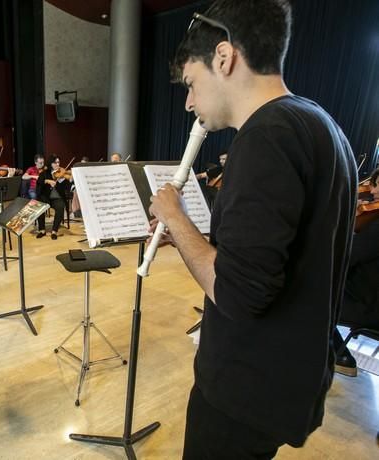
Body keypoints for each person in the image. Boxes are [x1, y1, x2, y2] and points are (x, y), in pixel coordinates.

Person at [149, 1, 356, 457]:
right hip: (286, 381)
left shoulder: (266, 136)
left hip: (243, 392)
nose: (188, 102)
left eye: (191, 84)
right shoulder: (324, 126)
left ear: (224, 59)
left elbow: (238, 293)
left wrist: (176, 220)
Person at [333, 168, 379, 377]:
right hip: (366, 298)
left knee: (306, 292)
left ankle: (336, 354)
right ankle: (337, 352)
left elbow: (345, 259)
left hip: (367, 306)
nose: (372, 190)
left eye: (377, 185)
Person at [36, 155, 72, 240]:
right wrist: (47, 181)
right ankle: (42, 230)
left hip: (57, 198)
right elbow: (39, 182)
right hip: (46, 197)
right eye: (55, 162)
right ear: (50, 163)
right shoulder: (45, 173)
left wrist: (67, 180)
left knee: (60, 206)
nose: (57, 164)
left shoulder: (62, 173)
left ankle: (54, 231)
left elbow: (67, 188)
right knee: (40, 205)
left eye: (58, 162)